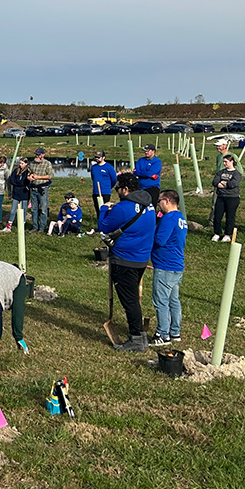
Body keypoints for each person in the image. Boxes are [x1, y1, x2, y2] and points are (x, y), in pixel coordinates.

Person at [98, 173, 156, 352]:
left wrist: (103, 209)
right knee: (133, 298)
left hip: (124, 259)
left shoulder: (123, 208)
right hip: (141, 258)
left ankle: (136, 338)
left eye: (118, 189)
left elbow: (104, 227)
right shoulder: (150, 205)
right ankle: (140, 335)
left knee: (129, 300)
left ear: (125, 189)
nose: (117, 192)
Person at [150, 190, 188, 346]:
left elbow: (160, 240)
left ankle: (163, 334)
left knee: (161, 301)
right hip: (177, 265)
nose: (158, 205)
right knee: (174, 300)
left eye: (159, 202)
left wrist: (148, 233)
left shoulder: (168, 218)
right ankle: (175, 332)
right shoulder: (181, 218)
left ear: (166, 201)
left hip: (165, 265)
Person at [211, 154, 242, 242]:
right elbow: (215, 181)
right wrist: (219, 184)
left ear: (232, 162)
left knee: (230, 216)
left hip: (232, 197)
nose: (224, 163)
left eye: (226, 162)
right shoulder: (221, 172)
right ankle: (217, 233)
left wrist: (224, 184)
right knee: (217, 216)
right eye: (223, 162)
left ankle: (227, 234)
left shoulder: (237, 173)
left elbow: (233, 184)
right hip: (221, 196)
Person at [1, 158, 31, 232]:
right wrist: (18, 183)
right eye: (20, 163)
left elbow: (25, 182)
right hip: (16, 193)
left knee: (24, 211)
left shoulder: (28, 172)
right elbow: (11, 180)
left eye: (22, 163)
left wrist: (20, 183)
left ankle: (22, 226)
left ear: (26, 164)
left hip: (24, 193)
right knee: (13, 210)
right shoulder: (15, 170)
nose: (20, 165)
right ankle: (9, 226)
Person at [28, 148, 53, 233]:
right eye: (36, 154)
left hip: (42, 189)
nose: (37, 156)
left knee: (43, 209)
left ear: (43, 155)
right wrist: (29, 177)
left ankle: (42, 227)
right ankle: (35, 226)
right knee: (33, 209)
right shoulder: (31, 163)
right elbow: (29, 172)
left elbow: (50, 176)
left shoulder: (47, 163)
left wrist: (39, 177)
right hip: (33, 188)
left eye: (38, 155)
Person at [89, 150, 118, 220]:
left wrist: (108, 187)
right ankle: (99, 223)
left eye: (99, 157)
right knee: (97, 208)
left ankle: (106, 222)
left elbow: (114, 179)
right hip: (96, 191)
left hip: (105, 191)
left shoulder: (109, 167)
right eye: (96, 157)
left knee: (105, 209)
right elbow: (93, 178)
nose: (97, 159)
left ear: (103, 157)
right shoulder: (93, 167)